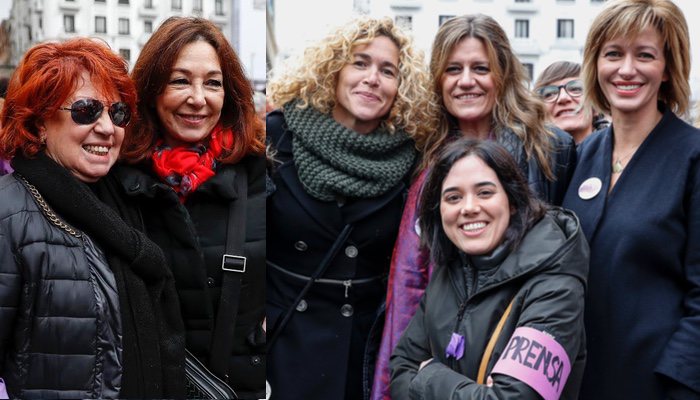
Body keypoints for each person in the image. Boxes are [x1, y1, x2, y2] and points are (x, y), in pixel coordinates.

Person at [372, 14, 577, 399]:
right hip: (428, 333)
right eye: (453, 69)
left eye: (480, 68)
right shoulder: (419, 152)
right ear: (438, 79)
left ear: (502, 74)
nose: (466, 80)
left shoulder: (548, 147)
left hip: (515, 337)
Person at [0, 38, 184, 398]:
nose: (106, 127)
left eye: (117, 113)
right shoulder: (8, 212)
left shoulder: (134, 200)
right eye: (86, 110)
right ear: (38, 124)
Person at [266, 16, 433, 400]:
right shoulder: (277, 135)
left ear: (400, 88)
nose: (372, 78)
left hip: (360, 352)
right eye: (360, 62)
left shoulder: (412, 159)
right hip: (282, 341)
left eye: (387, 70)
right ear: (333, 70)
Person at [116, 17, 267, 399]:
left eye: (213, 83)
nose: (198, 98)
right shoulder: (113, 179)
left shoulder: (262, 173)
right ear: (150, 90)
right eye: (180, 80)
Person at [562, 0, 700, 398]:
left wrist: (679, 386)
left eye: (644, 55)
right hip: (577, 382)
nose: (626, 69)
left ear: (668, 68)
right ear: (595, 64)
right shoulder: (582, 156)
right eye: (613, 54)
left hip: (656, 384)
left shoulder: (692, 157)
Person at [390, 138, 588, 399]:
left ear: (513, 200)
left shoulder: (556, 286)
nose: (469, 208)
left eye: (485, 192)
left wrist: (429, 377)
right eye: (453, 197)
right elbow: (400, 371)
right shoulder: (450, 270)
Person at [533, 61, 607, 144]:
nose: (563, 98)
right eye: (549, 94)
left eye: (576, 89)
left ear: (596, 105)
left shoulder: (619, 153)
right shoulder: (523, 155)